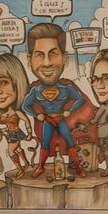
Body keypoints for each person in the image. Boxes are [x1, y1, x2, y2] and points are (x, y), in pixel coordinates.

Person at [21, 22, 89, 168]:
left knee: (69, 141)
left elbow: (80, 99)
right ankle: (40, 167)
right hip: (48, 121)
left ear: (64, 58)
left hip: (60, 119)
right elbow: (24, 105)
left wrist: (68, 111)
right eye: (39, 55)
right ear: (29, 60)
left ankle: (78, 166)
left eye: (53, 54)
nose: (47, 63)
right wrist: (35, 114)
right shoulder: (35, 90)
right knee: (45, 144)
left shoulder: (67, 87)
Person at [0, 50, 35, 181]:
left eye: (4, 82)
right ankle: (26, 163)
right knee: (18, 149)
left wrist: (30, 133)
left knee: (11, 152)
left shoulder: (18, 112)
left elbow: (26, 121)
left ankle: (20, 169)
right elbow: (2, 122)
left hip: (15, 134)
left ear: (18, 83)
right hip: (10, 135)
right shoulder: (4, 114)